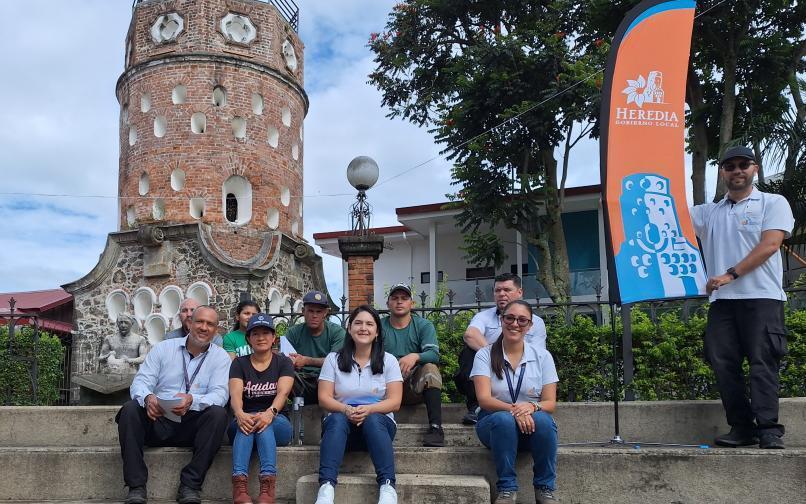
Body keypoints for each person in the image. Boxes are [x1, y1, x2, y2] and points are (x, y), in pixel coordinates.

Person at [690, 145, 794, 449]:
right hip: (722, 303)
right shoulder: (708, 212)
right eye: (730, 166)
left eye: (743, 165)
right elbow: (668, 217)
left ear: (754, 169)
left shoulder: (773, 202)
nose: (737, 171)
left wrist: (730, 274)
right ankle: (742, 428)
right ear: (721, 172)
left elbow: (770, 245)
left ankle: (769, 431)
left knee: (763, 363)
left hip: (762, 297)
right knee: (724, 365)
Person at [116, 305, 231, 504]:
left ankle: (190, 486)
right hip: (158, 418)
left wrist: (192, 400)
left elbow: (220, 394)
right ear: (190, 323)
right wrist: (148, 398)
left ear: (216, 329)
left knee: (218, 414)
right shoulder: (163, 348)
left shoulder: (220, 357)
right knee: (130, 409)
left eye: (210, 324)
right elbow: (141, 382)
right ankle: (136, 487)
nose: (204, 327)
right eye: (199, 322)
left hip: (193, 425)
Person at [471, 300, 559, 504]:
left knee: (545, 421)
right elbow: (484, 399)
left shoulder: (543, 356)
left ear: (530, 326)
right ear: (502, 320)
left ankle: (545, 488)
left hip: (531, 425)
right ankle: (507, 489)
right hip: (493, 425)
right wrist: (517, 411)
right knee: (503, 420)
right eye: (509, 318)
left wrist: (532, 407)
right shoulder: (485, 355)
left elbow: (550, 403)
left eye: (522, 320)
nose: (515, 324)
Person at [314, 305, 403, 504]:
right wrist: (346, 409)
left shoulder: (389, 361)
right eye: (358, 323)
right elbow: (324, 398)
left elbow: (395, 402)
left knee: (373, 420)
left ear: (377, 331)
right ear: (349, 328)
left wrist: (369, 409)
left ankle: (388, 487)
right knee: (336, 419)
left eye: (370, 324)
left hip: (378, 428)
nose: (364, 328)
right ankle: (326, 488)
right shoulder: (333, 360)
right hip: (342, 430)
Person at [456, 273, 547, 424]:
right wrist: (496, 356)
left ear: (520, 292)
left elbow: (539, 355)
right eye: (497, 290)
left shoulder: (536, 322)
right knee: (468, 353)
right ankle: (476, 407)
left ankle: (527, 404)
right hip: (491, 370)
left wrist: (510, 359)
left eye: (507, 290)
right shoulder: (484, 316)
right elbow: (470, 335)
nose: (501, 294)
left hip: (522, 369)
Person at [229, 313, 294, 504]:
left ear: (274, 337)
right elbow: (235, 395)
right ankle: (240, 487)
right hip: (243, 422)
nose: (261, 337)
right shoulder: (239, 364)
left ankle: (267, 486)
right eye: (255, 333)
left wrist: (269, 413)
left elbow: (282, 394)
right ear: (248, 338)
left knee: (265, 423)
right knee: (248, 423)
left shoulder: (283, 363)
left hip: (278, 421)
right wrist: (240, 414)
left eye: (266, 333)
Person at [380, 283, 444, 447]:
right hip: (384, 386)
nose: (399, 302)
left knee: (431, 368)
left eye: (404, 298)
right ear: (388, 303)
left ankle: (436, 428)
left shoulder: (423, 325)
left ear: (412, 304)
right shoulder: (379, 326)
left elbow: (434, 354)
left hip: (412, 386)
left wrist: (415, 356)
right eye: (394, 298)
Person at [283, 291, 346, 404]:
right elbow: (284, 359)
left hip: (329, 380)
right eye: (310, 311)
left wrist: (306, 361)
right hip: (302, 380)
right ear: (303, 311)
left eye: (319, 311)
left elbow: (338, 360)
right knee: (283, 374)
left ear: (325, 313)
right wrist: (292, 361)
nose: (314, 315)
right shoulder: (293, 332)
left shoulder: (337, 332)